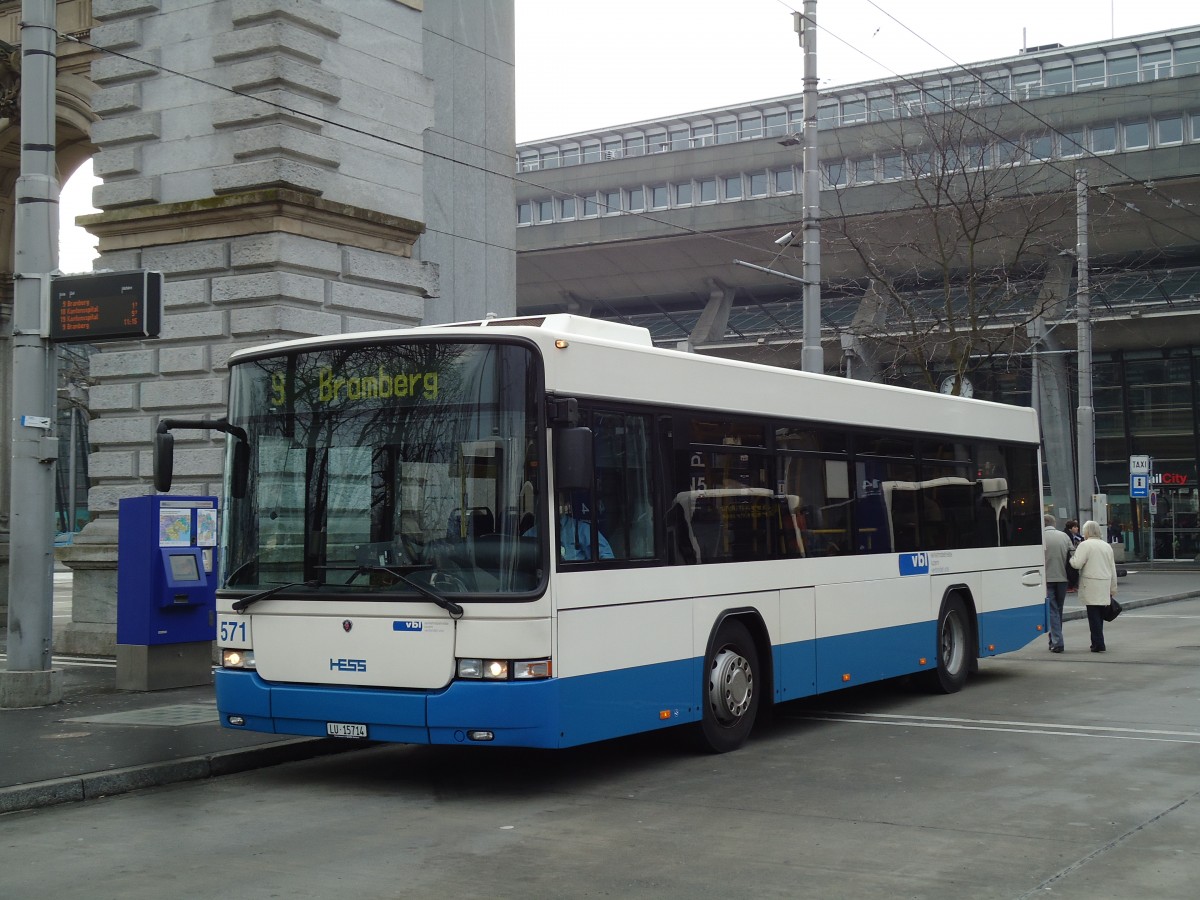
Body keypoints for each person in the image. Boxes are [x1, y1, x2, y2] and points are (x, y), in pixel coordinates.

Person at [1069, 520, 1118, 652]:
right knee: (1100, 614)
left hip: (1091, 583)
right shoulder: (1106, 546)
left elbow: (1077, 564)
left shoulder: (1085, 545)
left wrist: (1071, 558)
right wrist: (1113, 588)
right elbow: (1112, 568)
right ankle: (1098, 641)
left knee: (1093, 615)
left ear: (1087, 532)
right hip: (1105, 582)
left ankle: (1098, 643)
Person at [1042, 514, 1072, 653]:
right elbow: (1073, 555)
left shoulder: (1041, 538)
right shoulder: (1064, 536)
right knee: (1058, 610)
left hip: (1047, 579)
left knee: (1052, 611)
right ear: (1054, 524)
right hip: (1063, 578)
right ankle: (1053, 638)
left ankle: (1057, 642)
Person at [1063, 519, 1082, 592]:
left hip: (1071, 555)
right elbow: (1071, 547)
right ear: (1070, 528)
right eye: (1075, 527)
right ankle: (1070, 586)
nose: (1077, 528)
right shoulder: (1067, 535)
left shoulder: (1076, 536)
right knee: (1071, 571)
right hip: (1069, 555)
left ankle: (1072, 586)